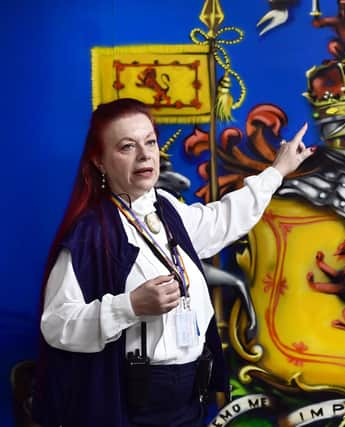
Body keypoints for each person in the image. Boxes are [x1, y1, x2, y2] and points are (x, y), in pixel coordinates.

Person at [32, 98, 315, 427]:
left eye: (150, 141)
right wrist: (130, 306)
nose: (144, 155)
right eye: (127, 146)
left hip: (188, 397)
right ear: (99, 161)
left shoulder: (165, 208)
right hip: (135, 406)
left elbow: (221, 219)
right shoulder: (91, 234)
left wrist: (277, 171)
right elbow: (56, 325)